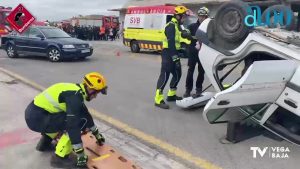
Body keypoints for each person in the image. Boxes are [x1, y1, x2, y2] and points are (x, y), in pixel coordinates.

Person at [25, 72, 108, 168]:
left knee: (70, 119)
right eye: (96, 93)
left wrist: (97, 135)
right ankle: (60, 158)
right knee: (77, 123)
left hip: (35, 115)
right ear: (90, 89)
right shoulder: (75, 97)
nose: (95, 96)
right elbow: (73, 127)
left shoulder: (75, 91)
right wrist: (81, 156)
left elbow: (86, 115)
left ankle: (44, 144)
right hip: (38, 119)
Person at [154, 6, 189, 109]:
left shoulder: (178, 26)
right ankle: (158, 99)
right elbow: (171, 42)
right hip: (168, 53)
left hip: (174, 52)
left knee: (177, 74)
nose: (184, 19)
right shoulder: (171, 26)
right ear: (178, 16)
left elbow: (178, 41)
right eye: (183, 17)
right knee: (165, 75)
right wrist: (175, 57)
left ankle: (171, 95)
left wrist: (181, 49)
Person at [183, 7, 209, 98]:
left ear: (207, 17)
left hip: (204, 53)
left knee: (201, 72)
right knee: (190, 71)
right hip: (193, 52)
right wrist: (186, 34)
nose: (201, 18)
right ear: (198, 16)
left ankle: (198, 89)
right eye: (200, 16)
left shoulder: (209, 28)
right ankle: (188, 90)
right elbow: (186, 31)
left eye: (204, 16)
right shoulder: (192, 26)